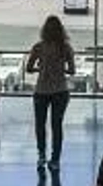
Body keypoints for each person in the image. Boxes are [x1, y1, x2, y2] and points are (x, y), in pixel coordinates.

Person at [25, 15, 75, 170]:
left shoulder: (38, 47)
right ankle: (55, 159)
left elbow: (29, 68)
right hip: (61, 90)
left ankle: (41, 155)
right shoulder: (66, 48)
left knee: (40, 124)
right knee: (57, 125)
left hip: (41, 90)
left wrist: (41, 68)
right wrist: (61, 69)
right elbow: (72, 70)